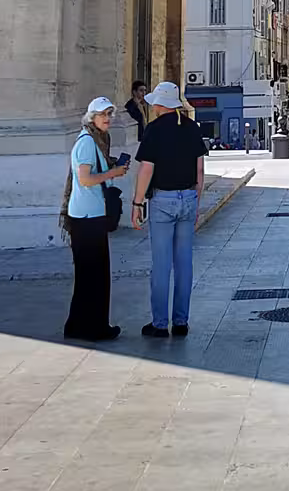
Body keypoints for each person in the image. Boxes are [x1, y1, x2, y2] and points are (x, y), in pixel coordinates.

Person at [131, 81, 206, 339]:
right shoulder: (192, 128)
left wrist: (137, 202)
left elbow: (146, 169)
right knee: (184, 263)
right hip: (187, 198)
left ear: (160, 104)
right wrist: (196, 200)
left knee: (161, 265)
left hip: (163, 200)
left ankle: (160, 324)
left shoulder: (154, 130)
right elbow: (199, 170)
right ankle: (181, 321)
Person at [63, 97, 131, 343]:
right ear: (92, 117)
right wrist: (113, 173)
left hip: (90, 216)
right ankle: (93, 328)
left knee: (89, 275)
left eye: (110, 114)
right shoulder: (87, 143)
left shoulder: (95, 141)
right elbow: (85, 179)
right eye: (103, 114)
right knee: (94, 276)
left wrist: (112, 167)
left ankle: (78, 325)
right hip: (87, 218)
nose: (108, 119)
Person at [124, 80, 149, 154]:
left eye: (145, 90)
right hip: (136, 138)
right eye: (141, 90)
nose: (144, 93)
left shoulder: (142, 105)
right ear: (134, 92)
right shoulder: (130, 106)